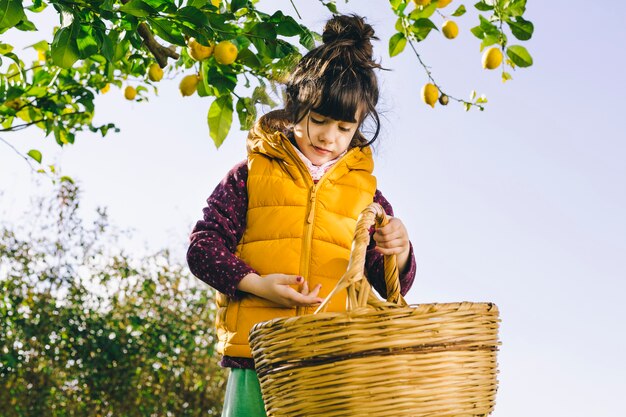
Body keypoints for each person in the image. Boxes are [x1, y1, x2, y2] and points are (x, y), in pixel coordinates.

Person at [187, 14, 417, 417]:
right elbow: (203, 248)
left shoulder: (367, 195)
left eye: (345, 128)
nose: (330, 137)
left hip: (334, 363)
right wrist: (257, 284)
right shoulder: (251, 174)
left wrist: (399, 249)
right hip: (259, 355)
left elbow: (390, 282)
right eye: (320, 121)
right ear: (296, 108)